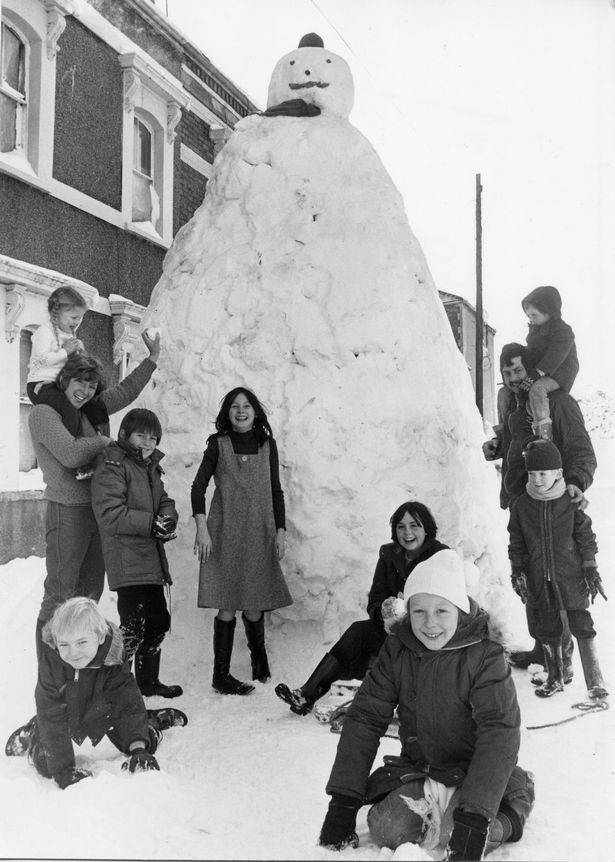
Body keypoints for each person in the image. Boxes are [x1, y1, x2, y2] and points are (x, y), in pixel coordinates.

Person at [317, 549, 534, 859]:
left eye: (442, 611)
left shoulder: (485, 654)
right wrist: (343, 802)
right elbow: (366, 717)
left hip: (475, 772)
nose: (430, 623)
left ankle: (512, 806)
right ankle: (453, 809)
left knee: (453, 834)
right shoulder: (398, 649)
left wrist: (474, 819)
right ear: (408, 611)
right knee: (386, 829)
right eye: (419, 611)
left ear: (459, 609)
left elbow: (499, 730)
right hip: (424, 770)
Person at [29, 331, 161, 657]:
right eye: (79, 382)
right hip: (67, 511)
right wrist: (104, 443)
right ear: (64, 379)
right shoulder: (45, 414)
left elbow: (126, 391)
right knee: (60, 595)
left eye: (91, 385)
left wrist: (152, 359)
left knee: (89, 594)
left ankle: (81, 669)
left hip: (96, 511)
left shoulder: (92, 410)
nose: (85, 390)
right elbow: (71, 454)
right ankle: (51, 675)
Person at [275, 501, 448, 716]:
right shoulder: (389, 555)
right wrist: (384, 612)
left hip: (425, 636)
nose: (407, 532)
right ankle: (306, 694)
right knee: (359, 630)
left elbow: (445, 604)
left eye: (414, 526)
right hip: (392, 630)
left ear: (426, 528)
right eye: (401, 527)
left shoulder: (440, 556)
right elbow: (375, 600)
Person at [483, 343, 596, 670]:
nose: (512, 378)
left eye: (518, 370)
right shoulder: (517, 410)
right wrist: (496, 448)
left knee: (560, 581)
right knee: (533, 580)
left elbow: (582, 452)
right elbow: (516, 447)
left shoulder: (557, 403)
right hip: (523, 507)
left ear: (532, 370)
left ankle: (564, 661)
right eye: (506, 373)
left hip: (554, 506)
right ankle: (543, 647)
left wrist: (574, 483)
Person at [5, 598, 187, 789]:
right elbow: (50, 713)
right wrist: (64, 770)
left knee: (142, 741)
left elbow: (126, 703)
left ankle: (149, 723)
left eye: (81, 642)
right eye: (64, 644)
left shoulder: (113, 660)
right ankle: (35, 729)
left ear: (100, 637)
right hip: (63, 715)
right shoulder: (51, 663)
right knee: (47, 764)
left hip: (102, 713)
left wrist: (138, 748)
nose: (73, 652)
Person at [191, 386, 292, 696]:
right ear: (228, 412)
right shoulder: (217, 445)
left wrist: (280, 530)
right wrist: (201, 528)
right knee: (226, 604)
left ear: (255, 411)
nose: (240, 410)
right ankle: (219, 675)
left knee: (254, 603)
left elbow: (275, 490)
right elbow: (197, 488)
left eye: (246, 405)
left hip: (259, 531)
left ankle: (258, 659)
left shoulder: (267, 445)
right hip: (223, 532)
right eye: (234, 406)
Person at [91, 408, 182, 700]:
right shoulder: (113, 464)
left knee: (159, 622)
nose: (147, 442)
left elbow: (164, 500)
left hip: (149, 559)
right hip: (126, 560)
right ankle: (116, 689)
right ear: (125, 435)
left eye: (153, 437)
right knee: (132, 627)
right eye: (141, 434)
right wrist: (151, 524)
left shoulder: (149, 466)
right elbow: (110, 513)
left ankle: (147, 683)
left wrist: (167, 518)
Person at [508, 440, 608, 700]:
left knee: (582, 625)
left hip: (571, 577)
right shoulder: (521, 506)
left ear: (558, 473)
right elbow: (516, 542)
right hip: (539, 577)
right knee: (548, 627)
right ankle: (555, 677)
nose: (538, 479)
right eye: (532, 474)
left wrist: (590, 568)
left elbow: (586, 538)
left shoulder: (571, 501)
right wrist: (518, 570)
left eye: (543, 473)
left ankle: (595, 681)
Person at [27, 286, 108, 450]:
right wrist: (65, 351)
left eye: (80, 318)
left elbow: (76, 367)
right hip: (40, 385)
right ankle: (73, 448)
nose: (76, 322)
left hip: (60, 384)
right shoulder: (45, 332)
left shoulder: (70, 337)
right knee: (69, 410)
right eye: (73, 317)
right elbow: (40, 360)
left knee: (97, 404)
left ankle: (104, 443)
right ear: (55, 314)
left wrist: (81, 354)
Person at [519, 285, 579, 441]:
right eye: (528, 315)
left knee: (537, 388)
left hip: (560, 371)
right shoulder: (536, 331)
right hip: (541, 371)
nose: (531, 318)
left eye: (534, 314)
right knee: (525, 389)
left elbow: (555, 355)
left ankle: (545, 435)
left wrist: (536, 373)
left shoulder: (562, 330)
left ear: (548, 311)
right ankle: (532, 425)